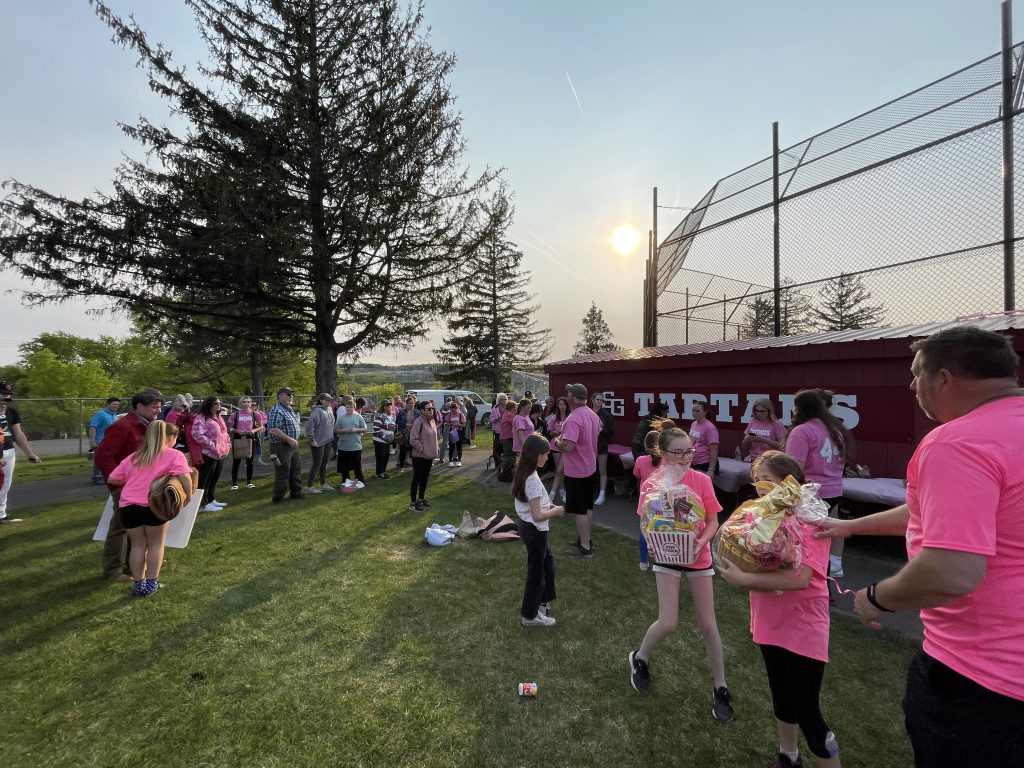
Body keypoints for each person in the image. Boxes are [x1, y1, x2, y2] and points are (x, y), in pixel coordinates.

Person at [815, 326, 1024, 767]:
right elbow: (934, 511)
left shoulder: (958, 442)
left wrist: (877, 599)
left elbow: (952, 572)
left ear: (944, 378)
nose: (912, 386)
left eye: (916, 375)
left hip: (981, 683)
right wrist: (848, 528)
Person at [717, 451, 840, 767]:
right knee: (782, 697)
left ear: (791, 482)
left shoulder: (811, 520)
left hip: (802, 627)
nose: (760, 488)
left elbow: (801, 578)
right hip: (768, 620)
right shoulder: (760, 516)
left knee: (807, 709)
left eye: (768, 481)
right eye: (757, 480)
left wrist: (743, 576)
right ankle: (788, 757)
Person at [628, 428, 733, 723]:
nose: (687, 457)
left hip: (698, 557)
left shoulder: (701, 480)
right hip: (667, 556)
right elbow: (645, 522)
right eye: (680, 452)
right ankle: (640, 658)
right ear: (663, 453)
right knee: (669, 621)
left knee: (708, 624)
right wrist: (653, 542)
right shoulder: (652, 483)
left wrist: (701, 542)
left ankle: (721, 686)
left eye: (690, 451)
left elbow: (712, 520)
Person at [107, 420, 192, 597]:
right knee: (156, 544)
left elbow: (113, 479)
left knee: (138, 545)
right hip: (155, 505)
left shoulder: (134, 457)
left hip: (128, 506)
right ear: (168, 436)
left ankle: (138, 584)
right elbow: (184, 477)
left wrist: (131, 482)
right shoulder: (174, 455)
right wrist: (188, 497)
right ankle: (152, 583)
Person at [94, 390, 164, 580]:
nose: (158, 411)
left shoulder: (148, 425)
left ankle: (133, 562)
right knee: (121, 527)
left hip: (142, 487)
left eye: (159, 407)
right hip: (124, 487)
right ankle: (112, 570)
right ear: (140, 406)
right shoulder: (123, 427)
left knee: (138, 526)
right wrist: (117, 484)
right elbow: (102, 456)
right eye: (154, 407)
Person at [784, 389, 852, 578]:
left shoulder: (802, 431)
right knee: (826, 537)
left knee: (809, 542)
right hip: (834, 490)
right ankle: (830, 571)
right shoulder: (835, 430)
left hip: (811, 493)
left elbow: (794, 469)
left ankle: (814, 579)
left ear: (799, 408)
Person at [512, 433, 566, 627]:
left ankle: (541, 605)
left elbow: (535, 504)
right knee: (537, 573)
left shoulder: (525, 472)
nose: (547, 457)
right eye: (545, 454)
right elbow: (537, 515)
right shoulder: (532, 480)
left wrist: (548, 506)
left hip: (530, 528)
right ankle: (530, 616)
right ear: (536, 455)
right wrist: (556, 510)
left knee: (548, 565)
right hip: (535, 530)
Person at [555, 383, 602, 559]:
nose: (566, 396)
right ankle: (586, 539)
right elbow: (593, 434)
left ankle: (585, 547)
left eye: (568, 393)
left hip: (577, 470)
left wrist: (558, 441)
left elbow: (568, 446)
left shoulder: (574, 418)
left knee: (580, 510)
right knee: (587, 507)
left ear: (572, 398)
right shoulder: (592, 414)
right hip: (589, 466)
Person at [0, 381, 42, 525]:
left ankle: (1, 514)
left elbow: (18, 434)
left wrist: (29, 453)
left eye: (8, 395)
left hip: (8, 452)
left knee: (5, 484)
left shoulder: (12, 412)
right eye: (3, 394)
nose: (6, 398)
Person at [191, 396, 231, 513]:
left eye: (220, 403)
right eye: (216, 403)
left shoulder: (219, 418)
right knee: (205, 479)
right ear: (209, 405)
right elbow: (197, 434)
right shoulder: (201, 418)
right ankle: (202, 504)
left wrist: (227, 446)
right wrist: (213, 447)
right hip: (209, 454)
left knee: (214, 478)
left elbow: (225, 434)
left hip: (221, 454)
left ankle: (210, 499)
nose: (219, 405)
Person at [632, 430, 664, 570]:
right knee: (662, 531)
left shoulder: (640, 461)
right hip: (663, 502)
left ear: (646, 446)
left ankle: (644, 562)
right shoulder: (666, 461)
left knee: (644, 532)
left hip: (645, 502)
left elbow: (637, 475)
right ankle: (661, 560)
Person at [266, 387, 303, 504]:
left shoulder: (289, 409)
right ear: (280, 396)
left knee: (295, 470)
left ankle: (296, 493)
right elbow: (273, 430)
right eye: (288, 394)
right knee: (283, 471)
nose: (291, 396)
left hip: (292, 444)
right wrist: (290, 440)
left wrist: (292, 441)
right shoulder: (277, 410)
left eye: (292, 394)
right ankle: (278, 498)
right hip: (281, 446)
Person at [408, 400, 438, 511]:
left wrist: (435, 449)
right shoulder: (418, 422)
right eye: (429, 409)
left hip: (429, 456)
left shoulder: (432, 421)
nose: (432, 410)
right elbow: (413, 439)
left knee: (425, 478)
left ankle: (421, 499)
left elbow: (434, 437)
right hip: (419, 456)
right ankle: (413, 502)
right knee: (417, 478)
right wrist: (423, 449)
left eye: (432, 408)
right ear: (422, 410)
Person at [227, 396, 263, 490]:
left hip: (251, 437)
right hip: (238, 437)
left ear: (251, 404)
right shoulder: (235, 414)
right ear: (240, 403)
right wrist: (237, 431)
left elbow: (261, 426)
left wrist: (254, 431)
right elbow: (229, 428)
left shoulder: (255, 414)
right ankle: (234, 483)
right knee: (236, 461)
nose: (246, 403)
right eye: (244, 402)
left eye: (248, 402)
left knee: (250, 461)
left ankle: (249, 482)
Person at [334, 396, 367, 490]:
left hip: (356, 446)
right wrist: (343, 430)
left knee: (357, 466)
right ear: (345, 408)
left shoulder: (359, 417)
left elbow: (364, 429)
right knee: (345, 467)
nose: (349, 409)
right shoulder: (341, 418)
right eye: (347, 407)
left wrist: (356, 430)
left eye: (351, 407)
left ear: (354, 408)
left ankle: (360, 481)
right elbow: (335, 430)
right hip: (343, 446)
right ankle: (345, 482)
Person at [305, 393, 336, 493]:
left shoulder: (330, 409)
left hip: (328, 440)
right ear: (321, 400)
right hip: (317, 442)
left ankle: (323, 484)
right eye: (327, 400)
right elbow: (310, 426)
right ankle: (309, 487)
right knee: (317, 463)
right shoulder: (317, 411)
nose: (329, 402)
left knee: (325, 462)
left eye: (330, 400)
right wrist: (312, 440)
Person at [741, 397, 787, 463]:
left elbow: (783, 446)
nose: (759, 413)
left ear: (769, 411)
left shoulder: (776, 424)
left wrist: (764, 440)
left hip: (771, 460)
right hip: (754, 459)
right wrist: (747, 440)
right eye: (757, 411)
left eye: (762, 411)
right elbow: (744, 446)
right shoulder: (752, 422)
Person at [88, 397, 121, 485]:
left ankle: (107, 477)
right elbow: (92, 427)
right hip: (100, 442)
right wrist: (92, 441)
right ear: (107, 404)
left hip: (111, 442)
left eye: (117, 405)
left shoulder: (114, 415)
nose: (116, 406)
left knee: (109, 460)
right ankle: (97, 478)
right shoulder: (100, 415)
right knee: (100, 460)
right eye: (114, 404)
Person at [545, 396, 570, 504]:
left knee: (560, 471)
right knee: (559, 471)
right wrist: (555, 433)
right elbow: (550, 432)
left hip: (565, 446)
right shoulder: (554, 417)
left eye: (564, 404)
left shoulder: (570, 417)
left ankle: (551, 495)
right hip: (555, 446)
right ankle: (561, 491)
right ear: (558, 406)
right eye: (560, 404)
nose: (562, 406)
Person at [593, 392, 615, 506]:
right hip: (589, 446)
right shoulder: (588, 413)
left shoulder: (606, 415)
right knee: (588, 470)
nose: (599, 401)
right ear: (592, 400)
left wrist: (601, 428)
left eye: (601, 400)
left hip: (601, 446)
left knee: (602, 470)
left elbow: (610, 433)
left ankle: (602, 495)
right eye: (597, 399)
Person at [688, 400, 719, 477]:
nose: (694, 413)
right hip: (693, 461)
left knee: (701, 487)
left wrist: (711, 469)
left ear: (705, 412)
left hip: (705, 462)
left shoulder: (710, 427)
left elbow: (714, 449)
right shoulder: (693, 424)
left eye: (698, 411)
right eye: (693, 410)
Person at [371, 399, 397, 479]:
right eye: (387, 405)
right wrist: (384, 437)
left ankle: (383, 471)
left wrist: (392, 436)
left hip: (388, 440)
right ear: (383, 407)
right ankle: (379, 473)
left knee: (386, 456)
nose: (389, 406)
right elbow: (376, 428)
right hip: (379, 440)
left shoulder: (392, 416)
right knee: (380, 457)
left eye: (390, 405)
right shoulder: (380, 416)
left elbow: (393, 427)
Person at [395, 395, 417, 470]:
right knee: (403, 450)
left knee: (413, 450)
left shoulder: (417, 412)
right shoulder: (401, 412)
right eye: (410, 403)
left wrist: (414, 425)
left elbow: (420, 421)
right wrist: (405, 424)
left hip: (414, 433)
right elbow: (397, 421)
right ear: (406, 404)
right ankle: (401, 466)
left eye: (412, 403)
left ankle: (415, 466)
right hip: (404, 433)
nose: (411, 404)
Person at [444, 400, 466, 467]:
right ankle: (450, 461)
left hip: (459, 431)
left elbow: (464, 424)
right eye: (451, 409)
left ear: (457, 409)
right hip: (452, 432)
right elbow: (446, 423)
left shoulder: (460, 415)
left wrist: (457, 425)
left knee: (459, 446)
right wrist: (449, 424)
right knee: (451, 446)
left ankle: (459, 460)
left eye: (454, 409)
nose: (453, 411)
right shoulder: (449, 415)